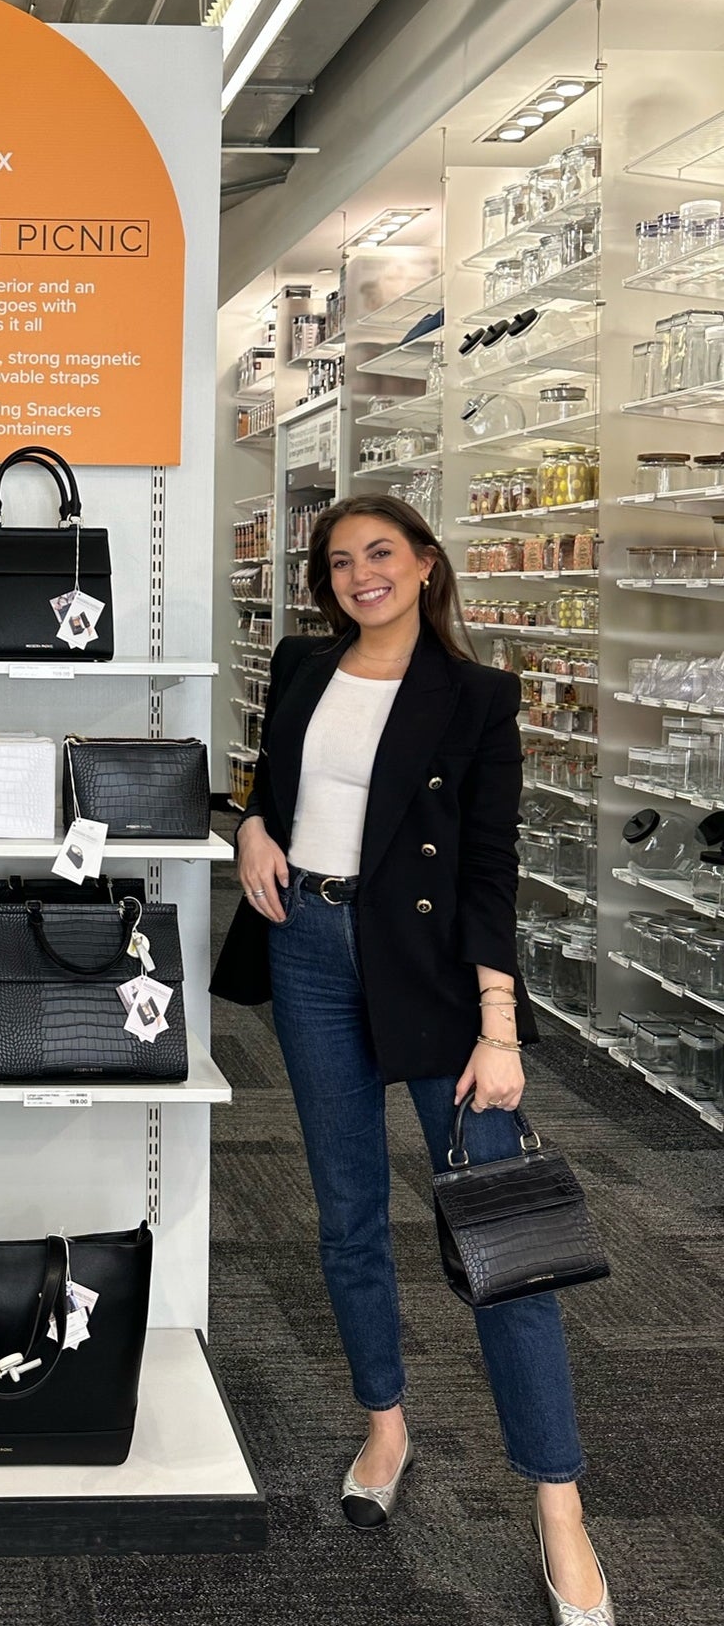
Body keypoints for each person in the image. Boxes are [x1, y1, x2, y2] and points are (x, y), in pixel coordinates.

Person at [211, 494, 613, 1626]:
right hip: (310, 952)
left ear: (426, 564)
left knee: (496, 1228)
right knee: (344, 1210)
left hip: (435, 967)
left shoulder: (476, 696)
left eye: (380, 553)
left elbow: (490, 864)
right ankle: (383, 1420)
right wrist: (248, 824)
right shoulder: (299, 662)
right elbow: (272, 778)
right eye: (338, 560)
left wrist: (499, 1026)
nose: (359, 574)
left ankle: (558, 1505)